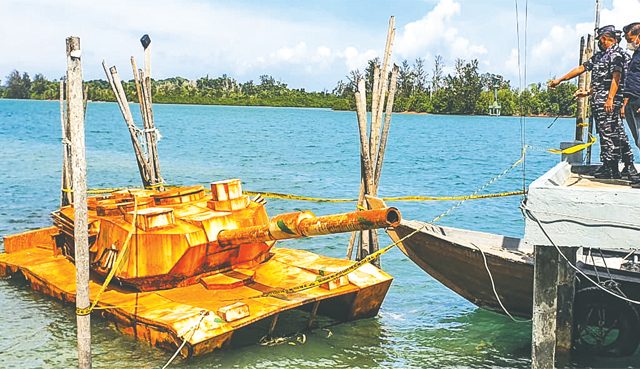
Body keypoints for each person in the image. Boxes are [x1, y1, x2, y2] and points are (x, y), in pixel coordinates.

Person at [549, 25, 638, 181]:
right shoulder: (600, 56)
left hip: (611, 102)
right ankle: (611, 166)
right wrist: (561, 80)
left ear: (604, 38)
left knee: (614, 135)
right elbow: (583, 69)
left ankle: (617, 167)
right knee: (608, 134)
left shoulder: (618, 55)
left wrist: (611, 99)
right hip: (599, 101)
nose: (599, 42)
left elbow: (618, 78)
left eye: (600, 39)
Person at [623, 22, 640, 150]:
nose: (629, 43)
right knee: (638, 141)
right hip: (632, 101)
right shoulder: (636, 54)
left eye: (630, 40)